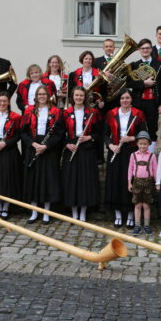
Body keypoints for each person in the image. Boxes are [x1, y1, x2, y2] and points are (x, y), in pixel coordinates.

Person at [104, 88, 147, 229]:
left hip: (131, 151)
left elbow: (144, 133)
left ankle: (129, 215)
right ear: (119, 100)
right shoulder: (111, 113)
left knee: (129, 182)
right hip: (115, 150)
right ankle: (117, 214)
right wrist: (110, 146)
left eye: (127, 98)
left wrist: (131, 138)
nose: (125, 100)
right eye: (122, 98)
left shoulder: (138, 114)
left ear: (131, 99)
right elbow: (105, 134)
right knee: (115, 181)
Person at [21, 85, 63, 224]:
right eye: (39, 94)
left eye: (44, 94)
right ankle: (34, 212)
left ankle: (46, 212)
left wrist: (46, 146)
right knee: (33, 180)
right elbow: (23, 132)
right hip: (33, 146)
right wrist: (33, 144)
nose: (42, 96)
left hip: (48, 149)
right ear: (36, 96)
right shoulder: (29, 111)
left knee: (47, 180)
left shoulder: (56, 111)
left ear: (48, 95)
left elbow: (59, 133)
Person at [60, 86, 101, 222]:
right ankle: (74, 212)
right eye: (76, 95)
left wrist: (89, 137)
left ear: (85, 98)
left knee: (85, 181)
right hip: (71, 147)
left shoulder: (92, 112)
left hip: (86, 148)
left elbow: (99, 133)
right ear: (73, 97)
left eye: (81, 96)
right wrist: (67, 144)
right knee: (72, 180)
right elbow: (60, 133)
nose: (78, 98)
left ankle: (83, 211)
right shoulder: (66, 113)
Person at [127, 38, 161, 152]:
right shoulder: (134, 65)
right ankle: (137, 154)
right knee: (137, 127)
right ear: (139, 49)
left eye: (148, 48)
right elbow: (129, 83)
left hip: (153, 102)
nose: (145, 50)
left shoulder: (158, 65)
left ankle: (151, 155)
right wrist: (143, 83)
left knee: (152, 128)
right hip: (138, 102)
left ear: (151, 49)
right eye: (143, 48)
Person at [128, 131, 158, 236]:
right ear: (137, 144)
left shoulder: (152, 156)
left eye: (145, 144)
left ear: (149, 144)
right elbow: (130, 169)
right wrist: (129, 183)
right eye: (140, 143)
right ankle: (137, 226)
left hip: (148, 182)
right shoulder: (133, 155)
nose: (143, 146)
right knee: (137, 205)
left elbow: (155, 170)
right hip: (136, 182)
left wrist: (157, 183)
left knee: (146, 205)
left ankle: (146, 225)